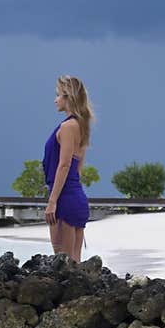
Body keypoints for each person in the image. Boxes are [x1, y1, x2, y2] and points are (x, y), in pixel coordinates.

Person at [42, 75, 94, 262]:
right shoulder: (81, 126)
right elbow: (78, 167)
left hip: (64, 199)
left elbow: (64, 165)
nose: (55, 100)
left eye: (58, 95)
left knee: (62, 263)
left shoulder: (67, 127)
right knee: (74, 263)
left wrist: (53, 201)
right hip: (77, 197)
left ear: (68, 97)